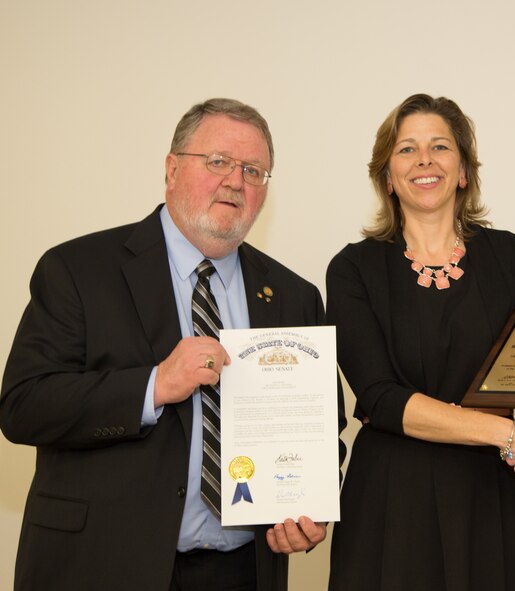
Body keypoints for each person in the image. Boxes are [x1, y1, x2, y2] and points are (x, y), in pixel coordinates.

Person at [0, 98, 346, 591]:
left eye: (253, 170)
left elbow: (320, 427)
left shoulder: (294, 296)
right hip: (100, 565)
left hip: (241, 572)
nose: (235, 180)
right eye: (218, 161)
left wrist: (307, 512)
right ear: (171, 168)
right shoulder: (78, 269)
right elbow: (23, 406)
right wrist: (153, 385)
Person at [325, 94, 515, 591]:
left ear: (463, 170)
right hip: (393, 503)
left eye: (440, 146)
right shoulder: (352, 268)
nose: (424, 159)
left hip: (496, 496)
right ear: (387, 176)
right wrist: (506, 435)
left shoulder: (511, 255)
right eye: (406, 149)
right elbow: (380, 398)